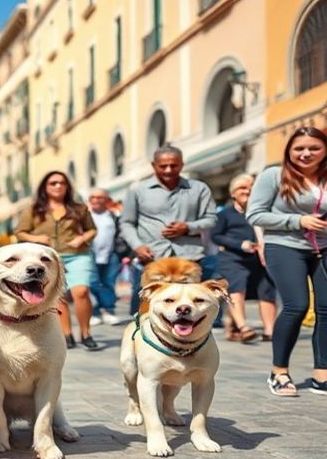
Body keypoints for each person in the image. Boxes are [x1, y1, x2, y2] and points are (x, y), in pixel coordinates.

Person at [246, 126, 327, 397]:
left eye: (314, 148)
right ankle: (279, 371)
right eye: (299, 148)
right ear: (289, 151)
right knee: (297, 305)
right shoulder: (274, 175)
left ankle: (322, 372)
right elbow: (255, 214)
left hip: (323, 248)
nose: (306, 153)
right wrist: (297, 221)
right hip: (284, 247)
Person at [120, 145, 217, 315]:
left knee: (188, 309)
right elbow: (126, 223)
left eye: (174, 165)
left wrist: (188, 227)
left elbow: (211, 219)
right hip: (151, 257)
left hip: (189, 258)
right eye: (163, 166)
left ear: (182, 165)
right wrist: (137, 246)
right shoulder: (137, 191)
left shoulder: (199, 188)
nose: (168, 170)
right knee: (146, 308)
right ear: (153, 165)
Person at [15, 171, 99, 350]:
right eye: (53, 183)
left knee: (81, 292)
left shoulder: (79, 208)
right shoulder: (34, 209)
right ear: (45, 187)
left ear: (67, 187)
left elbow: (92, 229)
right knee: (58, 296)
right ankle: (66, 334)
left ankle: (86, 333)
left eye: (62, 183)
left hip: (78, 254)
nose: (58, 186)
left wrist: (82, 239)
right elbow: (20, 232)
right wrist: (37, 239)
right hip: (49, 259)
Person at [211, 174, 277, 343]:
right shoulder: (225, 214)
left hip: (260, 259)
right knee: (236, 287)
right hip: (233, 258)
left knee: (267, 290)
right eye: (242, 188)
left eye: (251, 188)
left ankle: (270, 330)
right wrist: (240, 244)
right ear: (233, 193)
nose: (247, 191)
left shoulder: (263, 212)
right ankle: (243, 327)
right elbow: (216, 236)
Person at [88, 188, 129, 326]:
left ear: (107, 201)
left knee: (109, 284)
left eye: (100, 197)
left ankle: (109, 311)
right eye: (93, 197)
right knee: (92, 283)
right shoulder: (85, 216)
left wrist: (125, 253)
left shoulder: (114, 216)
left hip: (111, 255)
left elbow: (123, 234)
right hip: (89, 255)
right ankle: (95, 313)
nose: (95, 200)